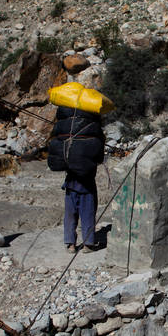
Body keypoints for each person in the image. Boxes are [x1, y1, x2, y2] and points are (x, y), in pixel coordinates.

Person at [48, 105, 105, 252]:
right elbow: (99, 158)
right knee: (88, 213)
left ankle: (70, 244)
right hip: (87, 184)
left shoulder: (66, 134)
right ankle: (88, 244)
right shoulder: (94, 134)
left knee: (70, 215)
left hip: (70, 183)